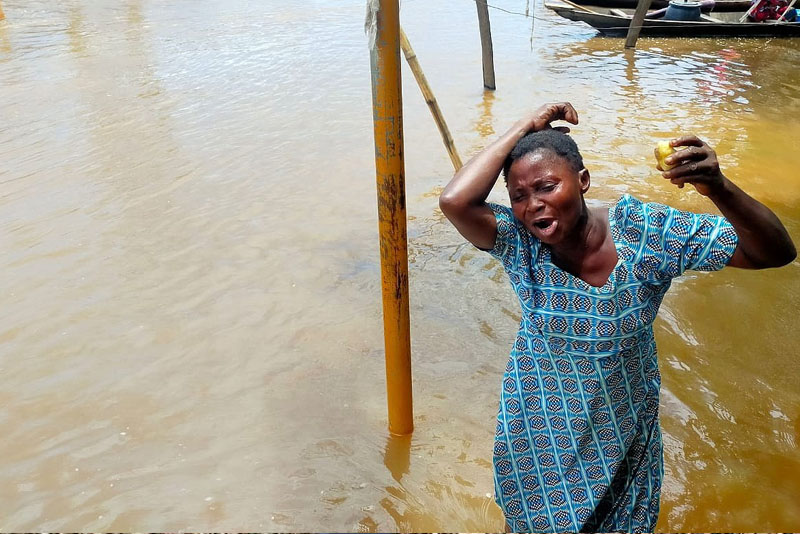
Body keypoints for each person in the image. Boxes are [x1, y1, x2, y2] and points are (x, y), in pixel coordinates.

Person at [438, 102, 796, 533]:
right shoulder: (520, 244)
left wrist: (717, 187)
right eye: (519, 196)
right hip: (539, 430)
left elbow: (774, 252)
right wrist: (523, 126)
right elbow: (455, 200)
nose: (534, 205)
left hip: (620, 429)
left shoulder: (645, 234)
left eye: (548, 186)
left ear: (583, 182)